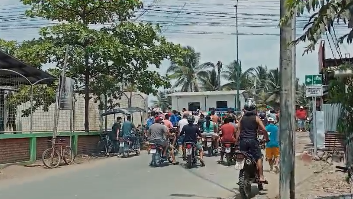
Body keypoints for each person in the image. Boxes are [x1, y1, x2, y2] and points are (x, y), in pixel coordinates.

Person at [236, 100, 269, 183]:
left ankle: (245, 172)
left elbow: (238, 130)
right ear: (254, 109)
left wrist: (236, 141)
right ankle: (261, 176)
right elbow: (264, 130)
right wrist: (267, 138)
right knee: (258, 157)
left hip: (243, 141)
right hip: (252, 141)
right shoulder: (256, 118)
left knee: (243, 155)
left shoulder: (242, 118)